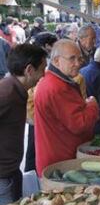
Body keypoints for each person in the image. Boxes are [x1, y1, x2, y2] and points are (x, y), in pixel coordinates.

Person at [34, 40, 99, 175]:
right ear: (56, 61)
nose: (78, 63)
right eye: (72, 59)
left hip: (60, 158)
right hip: (61, 163)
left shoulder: (55, 81)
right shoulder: (57, 87)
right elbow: (80, 124)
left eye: (79, 58)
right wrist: (92, 105)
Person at [0, 44, 47, 205]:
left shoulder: (16, 89)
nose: (44, 75)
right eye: (42, 69)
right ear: (29, 70)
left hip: (11, 173)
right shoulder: (7, 93)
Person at [24, 33, 59, 172]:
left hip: (37, 116)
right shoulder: (37, 65)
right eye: (54, 45)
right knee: (34, 151)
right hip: (36, 117)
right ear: (47, 46)